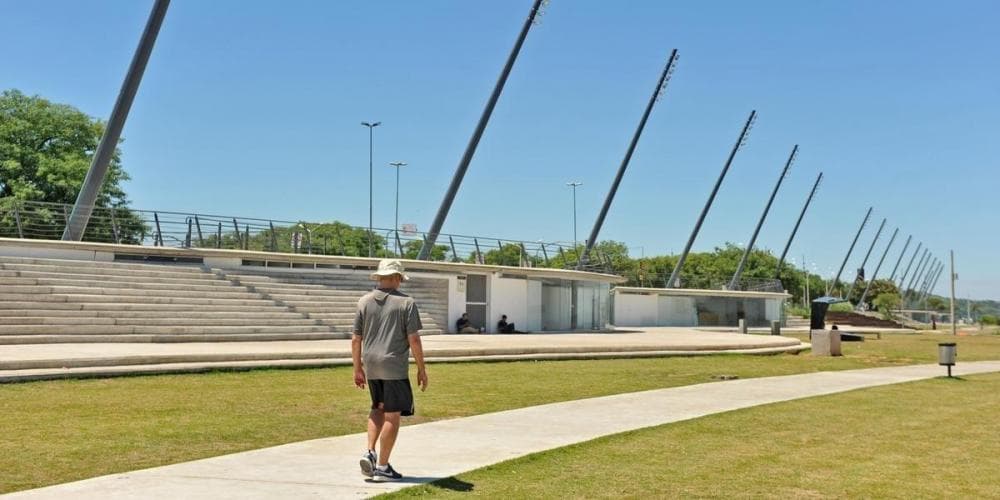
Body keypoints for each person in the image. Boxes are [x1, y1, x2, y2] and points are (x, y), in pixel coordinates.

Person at [353, 259, 428, 482]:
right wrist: (422, 369)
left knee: (377, 408)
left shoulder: (364, 301)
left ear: (379, 277)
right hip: (394, 364)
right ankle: (383, 467)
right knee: (392, 415)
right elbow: (413, 338)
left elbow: (356, 339)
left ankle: (370, 451)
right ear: (396, 278)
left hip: (372, 364)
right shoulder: (406, 303)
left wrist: (358, 368)